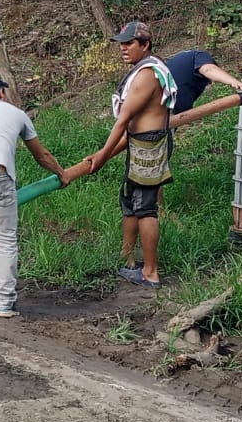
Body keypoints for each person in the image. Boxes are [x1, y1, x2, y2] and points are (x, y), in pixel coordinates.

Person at [0, 73, 74, 318]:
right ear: (1, 93)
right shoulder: (16, 114)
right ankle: (6, 303)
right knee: (5, 239)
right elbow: (41, 155)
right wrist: (61, 173)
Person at [73, 21, 177, 288]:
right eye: (122, 43)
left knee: (146, 208)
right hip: (141, 143)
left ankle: (150, 272)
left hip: (148, 146)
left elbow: (123, 121)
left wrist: (102, 156)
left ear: (145, 44)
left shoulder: (147, 75)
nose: (123, 48)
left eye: (129, 43)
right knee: (131, 201)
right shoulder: (148, 67)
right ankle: (128, 259)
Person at [164, 49, 242, 114]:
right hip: (168, 101)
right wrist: (233, 81)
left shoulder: (180, 61)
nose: (209, 83)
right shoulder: (200, 56)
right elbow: (209, 69)